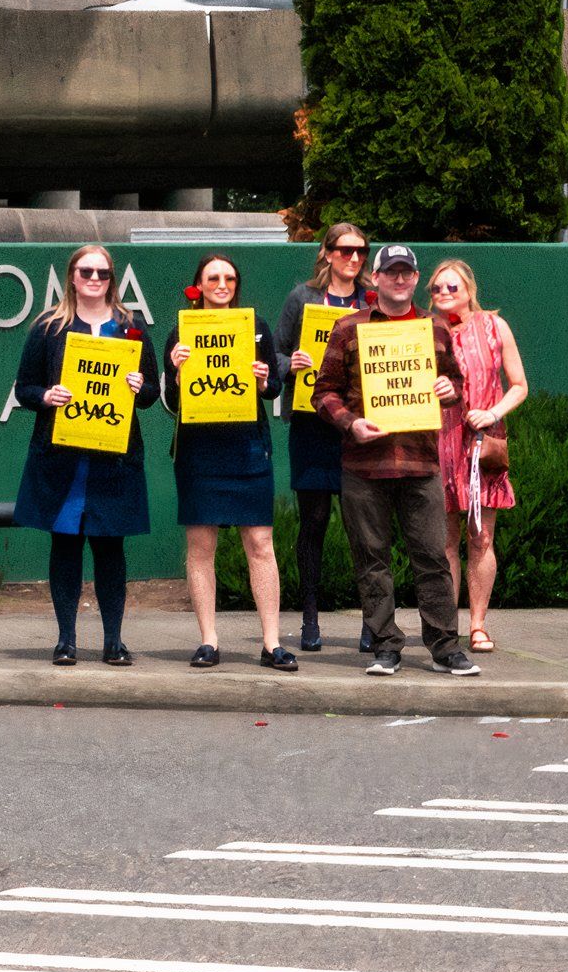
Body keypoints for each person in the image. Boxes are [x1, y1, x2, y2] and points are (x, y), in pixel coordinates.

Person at [313, 244, 478, 677]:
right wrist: (350, 423)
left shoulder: (434, 328)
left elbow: (457, 382)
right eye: (391, 272)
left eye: (406, 273)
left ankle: (445, 646)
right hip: (363, 465)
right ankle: (385, 645)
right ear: (377, 278)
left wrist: (449, 389)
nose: (399, 279)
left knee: (433, 558)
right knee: (371, 560)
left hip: (421, 463)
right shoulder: (349, 328)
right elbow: (323, 392)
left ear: (415, 277)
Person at [14, 242, 159, 666]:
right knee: (66, 545)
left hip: (114, 459)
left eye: (102, 273)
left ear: (112, 280)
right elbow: (24, 388)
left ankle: (113, 640)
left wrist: (139, 386)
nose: (94, 279)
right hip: (63, 458)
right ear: (71, 276)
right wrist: (47, 395)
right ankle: (66, 640)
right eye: (86, 271)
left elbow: (151, 393)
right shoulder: (48, 327)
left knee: (110, 549)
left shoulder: (131, 327)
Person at [162, 255, 294, 671]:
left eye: (230, 278)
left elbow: (273, 388)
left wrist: (262, 381)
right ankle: (208, 641)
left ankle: (272, 643)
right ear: (197, 285)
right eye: (213, 278)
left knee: (260, 544)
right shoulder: (180, 334)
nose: (222, 284)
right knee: (201, 547)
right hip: (200, 451)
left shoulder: (255, 329)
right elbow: (168, 404)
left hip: (248, 448)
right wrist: (179, 375)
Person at [276, 221, 368, 652]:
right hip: (312, 426)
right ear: (327, 253)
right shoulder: (302, 297)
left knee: (364, 528)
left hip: (360, 430)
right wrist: (288, 362)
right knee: (313, 523)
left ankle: (374, 620)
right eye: (346, 250)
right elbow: (275, 352)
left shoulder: (372, 300)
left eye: (361, 251)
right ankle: (309, 619)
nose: (354, 258)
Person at [431, 258, 528, 654]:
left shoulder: (494, 326)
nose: (445, 294)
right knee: (443, 540)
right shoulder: (425, 331)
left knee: (481, 536)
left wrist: (493, 412)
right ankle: (443, 628)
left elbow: (519, 385)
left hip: (481, 442)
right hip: (437, 440)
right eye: (438, 288)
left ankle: (477, 624)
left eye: (452, 287)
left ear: (469, 289)